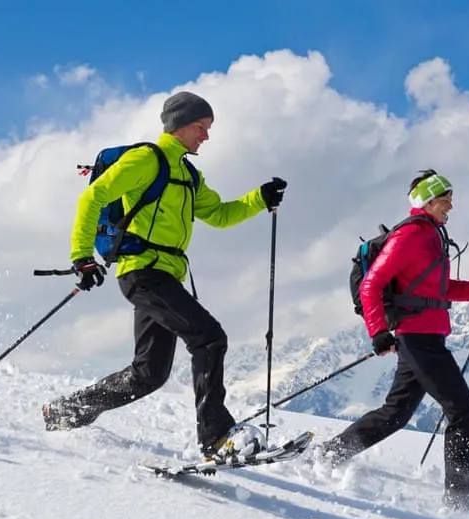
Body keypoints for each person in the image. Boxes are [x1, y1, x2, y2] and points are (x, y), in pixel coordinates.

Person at [42, 91, 288, 457]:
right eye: (201, 127)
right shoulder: (146, 160)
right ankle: (216, 437)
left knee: (149, 374)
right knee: (208, 338)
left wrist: (259, 198)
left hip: (165, 276)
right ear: (180, 125)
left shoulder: (189, 174)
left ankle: (64, 412)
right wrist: (82, 257)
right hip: (142, 272)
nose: (206, 136)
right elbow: (92, 197)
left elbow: (220, 215)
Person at [322, 169, 469, 510]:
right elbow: (371, 285)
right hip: (417, 338)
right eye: (445, 199)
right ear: (428, 200)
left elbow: (442, 290)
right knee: (464, 414)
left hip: (428, 339)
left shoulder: (433, 237)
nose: (451, 206)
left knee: (395, 415)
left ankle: (327, 455)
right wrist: (378, 331)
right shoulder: (410, 236)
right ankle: (462, 500)